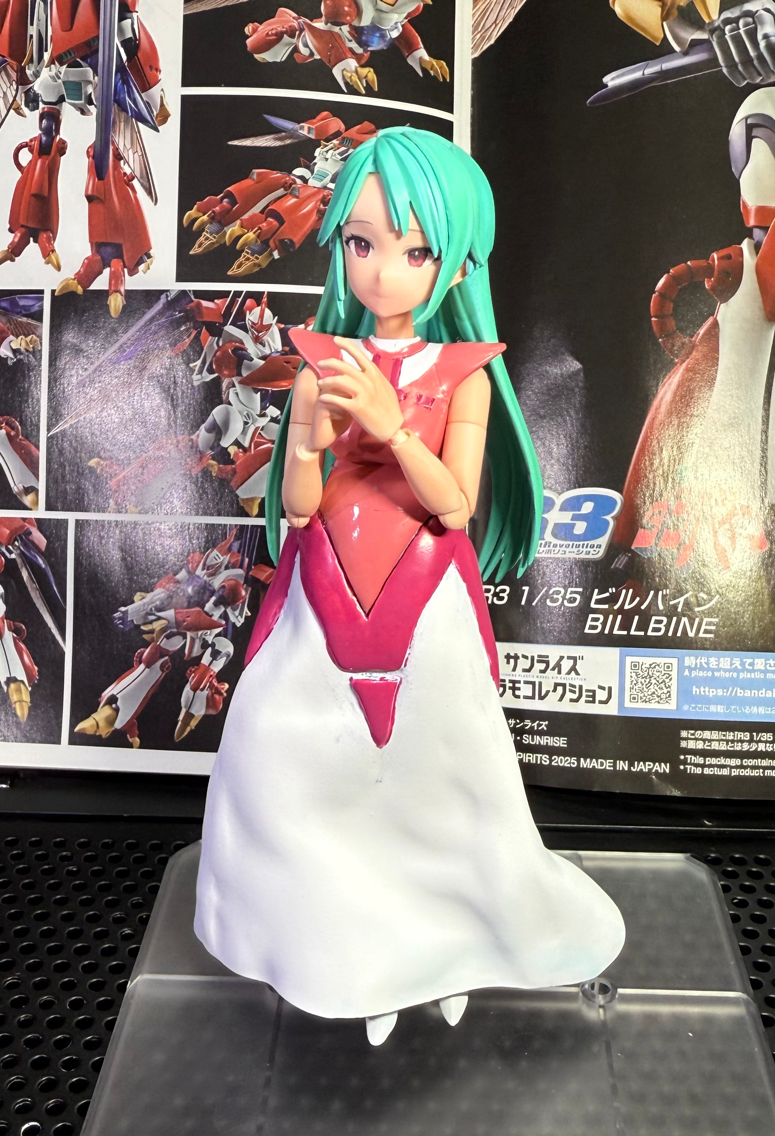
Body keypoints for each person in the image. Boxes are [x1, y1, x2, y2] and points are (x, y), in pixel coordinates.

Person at [194, 128, 625, 1044]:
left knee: (443, 777)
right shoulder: (323, 362)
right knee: (286, 756)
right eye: (362, 242)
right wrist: (307, 445)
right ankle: (327, 946)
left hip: (424, 598)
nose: (383, 270)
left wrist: (392, 430)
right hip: (324, 588)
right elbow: (300, 510)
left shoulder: (464, 376)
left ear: (456, 263)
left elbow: (455, 504)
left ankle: (451, 947)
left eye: (415, 250)